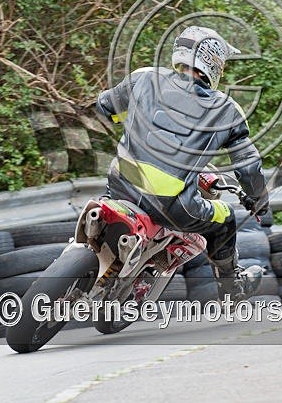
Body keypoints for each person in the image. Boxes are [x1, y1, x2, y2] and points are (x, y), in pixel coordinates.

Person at [96, 25, 269, 300]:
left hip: (120, 183)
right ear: (212, 62)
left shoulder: (144, 77)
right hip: (172, 206)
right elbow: (248, 167)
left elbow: (104, 106)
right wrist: (259, 200)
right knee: (225, 217)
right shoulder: (226, 109)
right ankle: (232, 288)